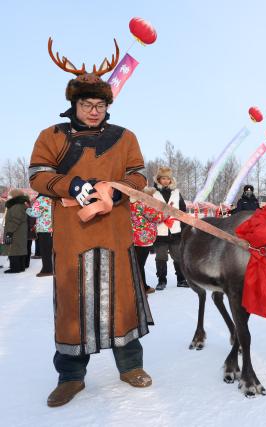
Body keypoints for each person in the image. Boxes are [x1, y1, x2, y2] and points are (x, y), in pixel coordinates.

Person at [29, 52, 153, 407]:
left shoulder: (124, 137)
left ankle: (130, 367)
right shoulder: (52, 136)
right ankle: (70, 377)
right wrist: (73, 187)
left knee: (123, 298)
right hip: (72, 237)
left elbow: (139, 175)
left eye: (99, 104)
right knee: (72, 304)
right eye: (87, 103)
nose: (94, 110)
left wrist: (117, 188)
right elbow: (38, 176)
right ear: (75, 103)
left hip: (115, 232)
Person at [153, 166, 188, 290]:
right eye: (163, 178)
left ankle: (181, 279)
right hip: (160, 231)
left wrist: (184, 228)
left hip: (175, 231)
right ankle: (161, 281)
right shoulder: (153, 193)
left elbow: (183, 210)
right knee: (161, 257)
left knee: (178, 256)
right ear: (159, 179)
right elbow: (149, 211)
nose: (166, 181)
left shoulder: (176, 193)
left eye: (168, 178)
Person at [131, 187, 165, 294]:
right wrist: (167, 212)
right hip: (143, 239)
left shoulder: (131, 203)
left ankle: (138, 287)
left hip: (133, 238)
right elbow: (157, 217)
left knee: (136, 264)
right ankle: (142, 288)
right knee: (139, 265)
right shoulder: (143, 204)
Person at [26, 195, 54, 277]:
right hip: (52, 227)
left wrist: (27, 209)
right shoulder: (51, 198)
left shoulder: (41, 199)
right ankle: (51, 268)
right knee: (49, 250)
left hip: (43, 228)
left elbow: (35, 213)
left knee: (45, 251)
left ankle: (47, 270)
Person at [3, 189, 29, 273]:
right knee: (19, 249)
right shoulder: (19, 205)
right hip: (19, 231)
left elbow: (15, 220)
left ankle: (15, 268)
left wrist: (10, 231)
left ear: (14, 196)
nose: (8, 197)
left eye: (10, 195)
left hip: (16, 232)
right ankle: (20, 267)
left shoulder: (16, 206)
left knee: (14, 249)